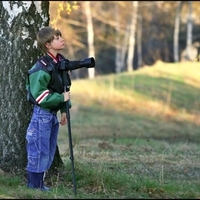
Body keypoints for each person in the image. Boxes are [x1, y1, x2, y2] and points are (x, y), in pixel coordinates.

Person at [25, 26, 71, 191]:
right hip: (42, 114)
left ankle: (39, 184)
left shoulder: (59, 63)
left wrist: (64, 109)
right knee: (38, 148)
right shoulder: (42, 67)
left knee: (49, 150)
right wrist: (61, 99)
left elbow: (62, 88)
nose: (62, 40)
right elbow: (40, 97)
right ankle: (34, 185)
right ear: (48, 45)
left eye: (60, 37)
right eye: (57, 38)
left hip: (52, 115)